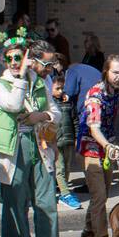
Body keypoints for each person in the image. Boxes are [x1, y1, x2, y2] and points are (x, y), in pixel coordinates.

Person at [0, 33, 65, 237]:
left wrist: (40, 117)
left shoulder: (40, 83)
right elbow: (12, 104)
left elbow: (55, 112)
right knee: (14, 204)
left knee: (46, 202)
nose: (14, 62)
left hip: (39, 145)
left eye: (18, 58)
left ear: (26, 59)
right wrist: (22, 78)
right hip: (13, 149)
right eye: (10, 58)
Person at [77, 56, 119, 237]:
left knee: (102, 195)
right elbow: (94, 127)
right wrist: (107, 145)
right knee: (99, 197)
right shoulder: (95, 95)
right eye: (116, 72)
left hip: (107, 148)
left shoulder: (115, 93)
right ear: (106, 71)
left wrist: (111, 145)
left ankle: (87, 235)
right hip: (91, 148)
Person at [49, 74, 82, 210]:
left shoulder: (68, 102)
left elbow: (74, 120)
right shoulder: (50, 103)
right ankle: (65, 193)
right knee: (60, 168)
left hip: (68, 140)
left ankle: (64, 189)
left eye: (62, 88)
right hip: (56, 141)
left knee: (67, 167)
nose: (60, 91)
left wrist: (76, 138)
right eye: (57, 88)